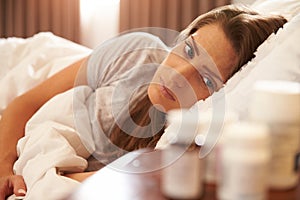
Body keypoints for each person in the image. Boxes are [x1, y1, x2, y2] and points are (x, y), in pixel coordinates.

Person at [0, 4, 287, 199]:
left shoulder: (186, 145)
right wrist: (3, 168)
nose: (177, 75)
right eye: (188, 49)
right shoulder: (134, 54)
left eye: (206, 80)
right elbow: (26, 101)